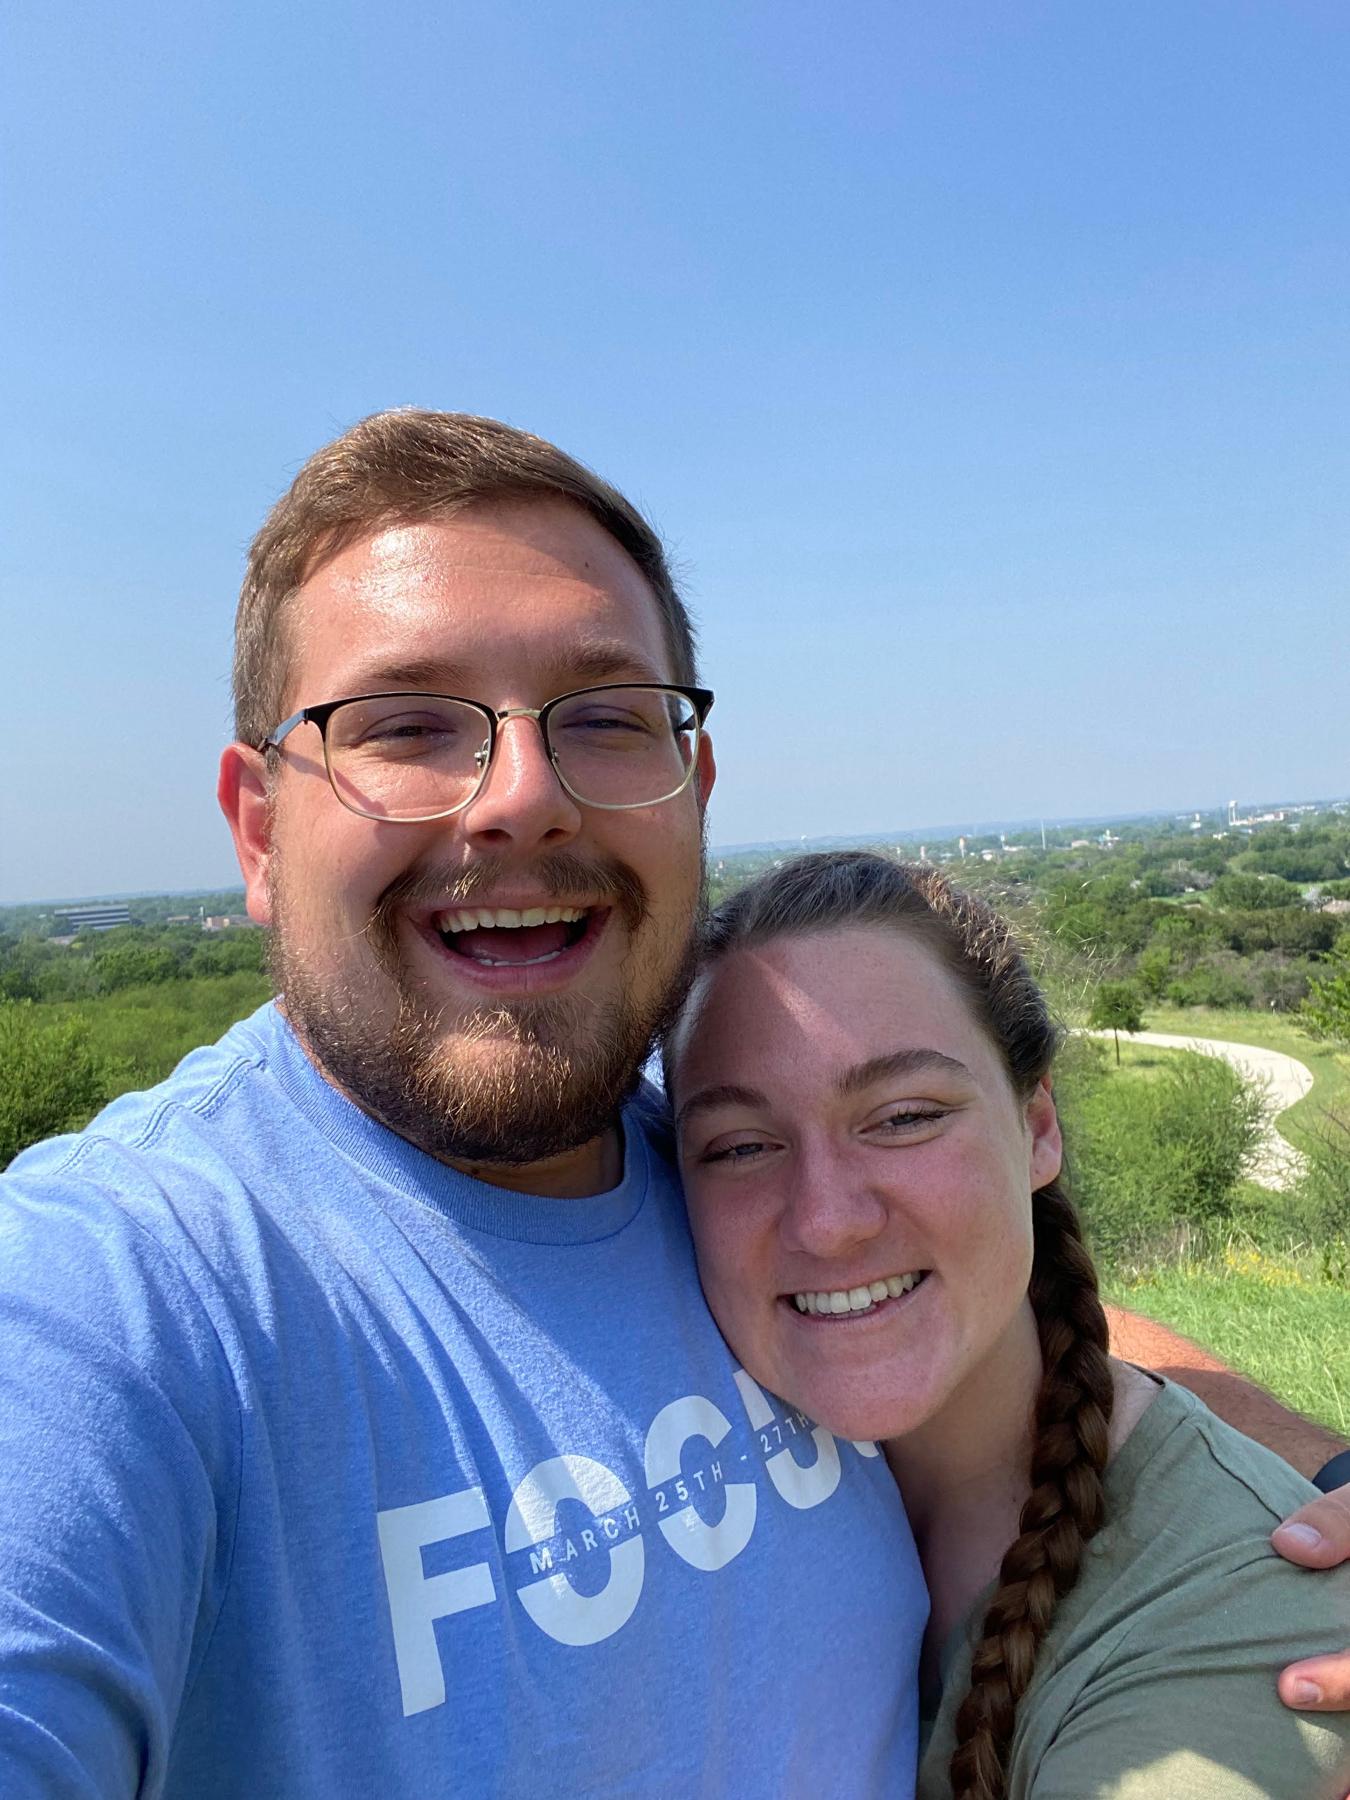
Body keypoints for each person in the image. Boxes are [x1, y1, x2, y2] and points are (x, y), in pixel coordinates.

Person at [0, 411, 1345, 1795]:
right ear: (260, 828)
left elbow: (969, 1278)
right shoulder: (114, 1299)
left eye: (601, 718)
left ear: (693, 788)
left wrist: (1307, 1481)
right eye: (405, 724)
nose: (521, 796)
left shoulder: (700, 1134)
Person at [666, 850, 1350, 1798]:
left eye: (903, 1118)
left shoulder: (1237, 1617)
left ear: (1037, 1129)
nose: (826, 1221)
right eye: (740, 1145)